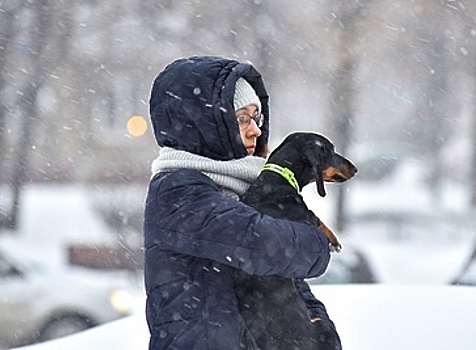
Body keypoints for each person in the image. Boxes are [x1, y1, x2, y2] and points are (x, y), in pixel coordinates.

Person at [143, 56, 340, 349]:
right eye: (240, 119)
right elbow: (262, 245)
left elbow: (290, 287)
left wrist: (321, 333)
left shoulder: (248, 187)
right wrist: (317, 240)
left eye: (256, 117)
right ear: (202, 124)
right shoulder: (178, 192)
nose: (255, 130)